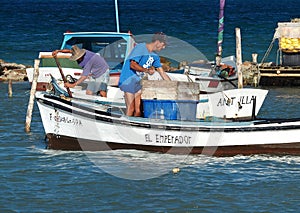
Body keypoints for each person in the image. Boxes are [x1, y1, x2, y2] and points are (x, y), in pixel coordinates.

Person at [118, 32, 171, 117]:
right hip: (128, 80)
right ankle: (123, 124)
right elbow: (133, 65)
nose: (164, 47)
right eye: (163, 44)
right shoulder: (141, 47)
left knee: (138, 111)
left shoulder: (155, 56)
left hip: (138, 82)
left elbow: (162, 73)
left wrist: (172, 85)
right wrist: (146, 70)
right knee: (131, 108)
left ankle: (134, 126)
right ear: (157, 42)